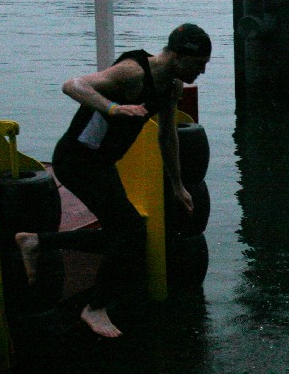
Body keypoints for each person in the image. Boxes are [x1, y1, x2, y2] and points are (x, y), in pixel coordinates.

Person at [17, 22, 211, 338]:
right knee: (131, 231)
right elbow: (72, 85)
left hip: (102, 164)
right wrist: (113, 108)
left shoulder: (171, 87)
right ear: (177, 55)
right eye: (198, 63)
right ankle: (94, 306)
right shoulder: (133, 72)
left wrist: (177, 186)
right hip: (76, 160)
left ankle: (37, 242)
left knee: (126, 234)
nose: (202, 71)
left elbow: (167, 137)